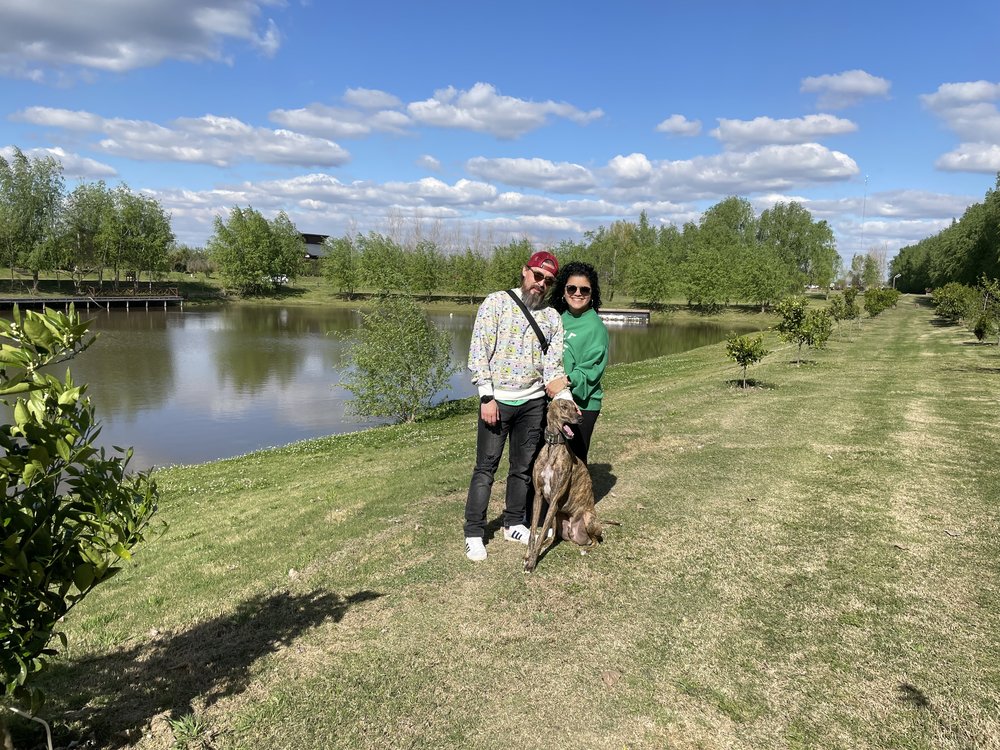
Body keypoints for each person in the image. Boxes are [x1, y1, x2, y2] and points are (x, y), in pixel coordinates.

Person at [463, 250, 572, 562]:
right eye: (537, 276)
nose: (540, 284)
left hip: (533, 404)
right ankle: (474, 531)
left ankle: (513, 522)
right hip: (497, 402)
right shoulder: (496, 303)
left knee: (522, 469)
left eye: (548, 281)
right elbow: (478, 352)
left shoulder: (551, 317)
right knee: (486, 468)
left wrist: (564, 399)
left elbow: (553, 367)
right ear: (525, 271)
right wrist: (486, 396)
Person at [545, 261, 608, 465]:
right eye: (572, 288)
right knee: (550, 458)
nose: (577, 293)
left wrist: (565, 381)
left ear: (592, 293)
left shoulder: (595, 326)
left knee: (574, 461)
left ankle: (578, 498)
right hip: (554, 398)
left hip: (583, 403)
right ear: (563, 290)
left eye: (584, 289)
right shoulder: (557, 318)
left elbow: (593, 366)